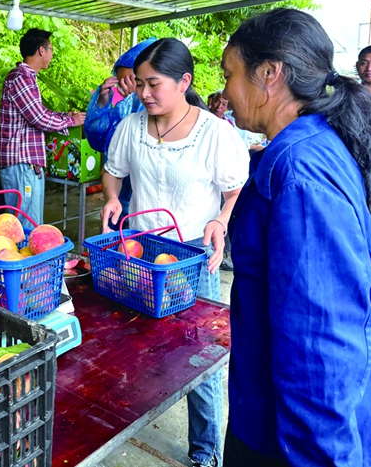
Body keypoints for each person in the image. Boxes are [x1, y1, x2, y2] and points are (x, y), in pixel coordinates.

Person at [221, 8, 371, 466]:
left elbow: (321, 344)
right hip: (278, 423)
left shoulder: (300, 170)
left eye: (230, 74)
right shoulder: (321, 143)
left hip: (292, 442)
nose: (225, 90)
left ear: (269, 74)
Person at [101, 38, 250, 467]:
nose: (144, 93)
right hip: (140, 252)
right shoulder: (131, 127)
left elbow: (233, 187)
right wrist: (113, 198)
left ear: (183, 82)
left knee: (199, 357)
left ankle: (206, 452)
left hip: (190, 256)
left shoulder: (214, 133)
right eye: (140, 85)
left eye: (154, 84)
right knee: (134, 339)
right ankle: (125, 412)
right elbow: (114, 172)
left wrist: (221, 218)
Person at [0, 28, 86, 229]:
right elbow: (37, 117)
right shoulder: (21, 77)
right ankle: (26, 260)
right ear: (41, 51)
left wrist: (65, 117)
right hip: (21, 162)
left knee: (30, 223)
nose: (52, 55)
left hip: (26, 163)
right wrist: (70, 122)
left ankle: (31, 259)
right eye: (51, 50)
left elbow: (37, 112)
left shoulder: (26, 77)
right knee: (25, 226)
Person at [84, 37, 153, 218]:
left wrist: (138, 99)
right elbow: (100, 141)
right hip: (119, 200)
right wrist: (102, 102)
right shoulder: (123, 108)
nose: (124, 87)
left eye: (132, 80)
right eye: (120, 81)